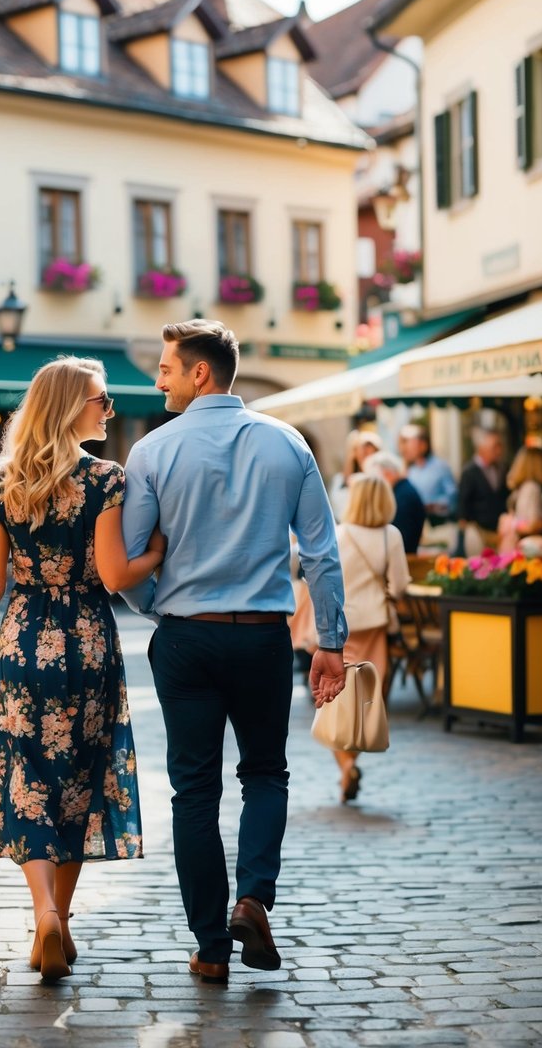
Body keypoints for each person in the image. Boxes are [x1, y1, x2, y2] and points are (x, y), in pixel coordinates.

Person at [121, 320, 347, 985]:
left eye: (165, 367)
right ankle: (252, 899)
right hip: (261, 636)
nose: (156, 378)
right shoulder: (286, 444)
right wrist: (330, 642)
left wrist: (161, 609)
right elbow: (321, 552)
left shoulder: (152, 452)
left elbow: (134, 564)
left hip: (186, 636)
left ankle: (210, 949)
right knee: (265, 774)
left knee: (193, 790)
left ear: (199, 373)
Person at [0, 357, 163, 982]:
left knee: (26, 776)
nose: (108, 409)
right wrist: (157, 549)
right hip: (87, 644)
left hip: (21, 641)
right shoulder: (104, 479)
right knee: (79, 777)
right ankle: (61, 920)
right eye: (100, 400)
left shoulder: (1, 482)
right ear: (72, 406)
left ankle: (47, 913)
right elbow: (114, 575)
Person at [335, 473, 410, 802]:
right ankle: (350, 764)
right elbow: (401, 586)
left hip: (342, 628)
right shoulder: (390, 536)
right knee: (368, 703)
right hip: (376, 626)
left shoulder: (339, 534)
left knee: (338, 704)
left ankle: (345, 769)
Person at [364, 450, 426, 555]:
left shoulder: (402, 496)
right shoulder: (402, 491)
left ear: (388, 474)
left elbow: (398, 538)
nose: (373, 488)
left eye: (374, 481)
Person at [457, 428, 507, 556]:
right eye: (495, 447)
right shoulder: (469, 471)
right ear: (482, 448)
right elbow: (463, 500)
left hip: (498, 530)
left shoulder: (501, 468)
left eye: (499, 446)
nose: (498, 451)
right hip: (478, 530)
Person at [399, 423, 457, 525]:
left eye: (410, 443)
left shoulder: (441, 466)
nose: (406, 448)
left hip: (438, 524)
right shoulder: (408, 470)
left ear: (423, 445)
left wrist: (435, 505)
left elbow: (453, 496)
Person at [497, 446, 542, 552]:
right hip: (527, 545)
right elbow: (532, 525)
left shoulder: (520, 489)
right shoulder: (532, 488)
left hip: (517, 543)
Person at [328, 429, 382, 521]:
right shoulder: (340, 480)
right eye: (362, 447)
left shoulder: (380, 480)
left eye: (369, 447)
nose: (365, 451)